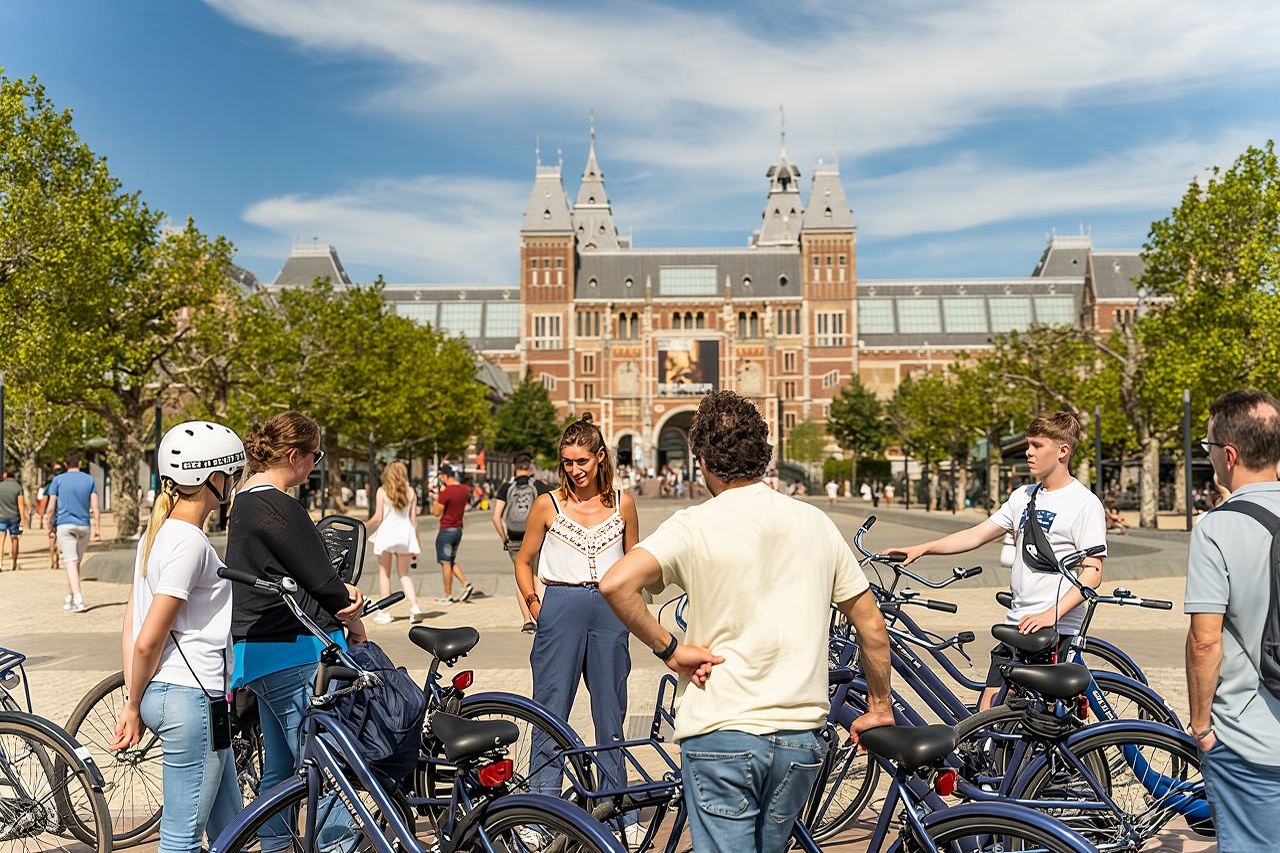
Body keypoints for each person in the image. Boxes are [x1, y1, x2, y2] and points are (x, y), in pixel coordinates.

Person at [599, 391, 893, 853]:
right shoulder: (815, 523)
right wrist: (879, 707)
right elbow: (872, 627)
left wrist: (670, 649)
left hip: (722, 729)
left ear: (702, 460)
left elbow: (616, 583)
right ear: (764, 451)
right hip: (800, 737)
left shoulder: (692, 524)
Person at [886, 411, 1106, 710]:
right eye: (1028, 444)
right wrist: (922, 548)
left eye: (1037, 446)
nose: (1028, 452)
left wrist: (1050, 615)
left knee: (1047, 721)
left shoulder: (1084, 504)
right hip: (1017, 624)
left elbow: (1092, 574)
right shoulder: (1022, 496)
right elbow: (976, 535)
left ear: (1063, 451)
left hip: (1054, 631)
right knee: (988, 715)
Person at [227, 411, 367, 852]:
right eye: (314, 455)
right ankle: (336, 845)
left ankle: (275, 845)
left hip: (259, 648)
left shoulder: (243, 501)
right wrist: (355, 616)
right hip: (294, 648)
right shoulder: (279, 507)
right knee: (326, 765)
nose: (315, 465)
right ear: (294, 455)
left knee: (281, 765)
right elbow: (323, 580)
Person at [110, 421, 246, 853]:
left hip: (182, 696)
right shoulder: (189, 542)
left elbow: (131, 623)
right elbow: (150, 636)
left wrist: (135, 698)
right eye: (232, 475)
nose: (234, 484)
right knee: (181, 839)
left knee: (231, 825)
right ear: (213, 478)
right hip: (193, 699)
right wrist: (131, 705)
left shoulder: (155, 536)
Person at [513, 414, 643, 840]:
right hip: (560, 606)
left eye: (582, 460)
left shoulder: (623, 502)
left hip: (610, 610)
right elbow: (523, 559)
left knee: (611, 715)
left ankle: (620, 815)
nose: (574, 469)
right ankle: (540, 816)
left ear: (600, 457)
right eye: (567, 462)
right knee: (550, 713)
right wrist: (534, 603)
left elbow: (634, 561)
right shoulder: (546, 504)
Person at [1185, 390, 1280, 851]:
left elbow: (1206, 643)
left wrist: (1201, 727)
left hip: (1250, 738)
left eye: (1207, 447)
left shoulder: (1217, 528)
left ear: (1229, 454)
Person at [492, 453, 552, 633]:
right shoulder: (539, 486)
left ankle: (527, 620)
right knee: (536, 575)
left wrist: (504, 537)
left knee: (520, 577)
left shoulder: (506, 487)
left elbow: (496, 517)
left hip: (514, 538)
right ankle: (542, 617)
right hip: (534, 536)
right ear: (530, 467)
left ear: (514, 466)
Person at [364, 460, 423, 625]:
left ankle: (385, 611)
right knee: (404, 574)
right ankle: (415, 607)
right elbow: (413, 520)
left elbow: (377, 518)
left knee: (385, 574)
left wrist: (362, 525)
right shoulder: (411, 492)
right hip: (405, 534)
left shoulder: (382, 491)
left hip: (387, 534)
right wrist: (416, 544)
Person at [44, 451, 101, 612]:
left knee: (70, 562)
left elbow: (50, 508)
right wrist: (97, 527)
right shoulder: (89, 480)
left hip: (64, 525)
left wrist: (49, 526)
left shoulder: (58, 480)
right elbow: (95, 506)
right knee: (75, 563)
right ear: (80, 462)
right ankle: (69, 597)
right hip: (84, 526)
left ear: (66, 463)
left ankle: (78, 598)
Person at [432, 465, 474, 604]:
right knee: (450, 561)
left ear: (445, 476)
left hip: (446, 530)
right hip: (458, 529)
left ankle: (448, 595)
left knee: (445, 562)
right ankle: (465, 584)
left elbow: (437, 512)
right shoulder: (464, 490)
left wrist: (436, 497)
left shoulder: (446, 492)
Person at [0, 469, 30, 572]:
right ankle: (14, 563)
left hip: (1, 517)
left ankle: (0, 563)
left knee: (0, 541)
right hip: (14, 518)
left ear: (5, 475)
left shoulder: (0, 486)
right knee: (14, 539)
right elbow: (21, 505)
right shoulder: (18, 487)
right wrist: (23, 519)